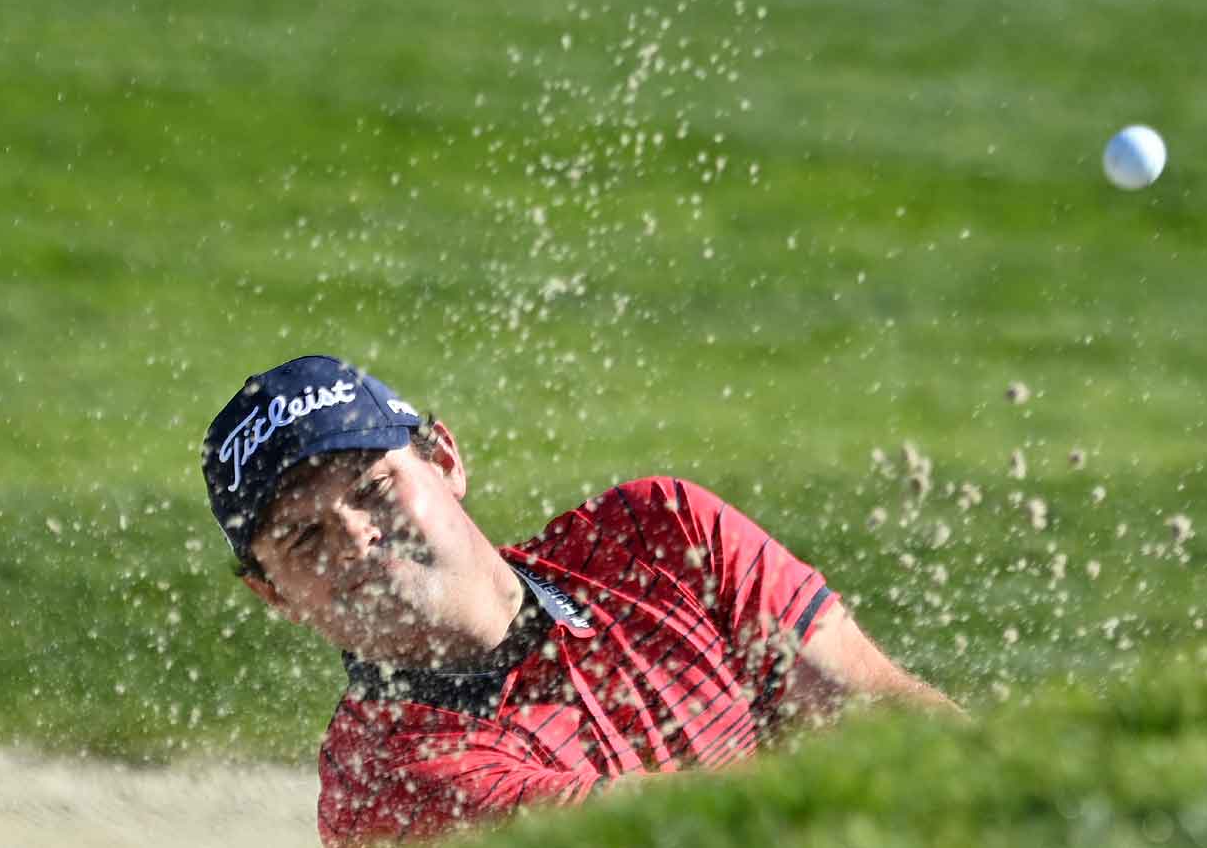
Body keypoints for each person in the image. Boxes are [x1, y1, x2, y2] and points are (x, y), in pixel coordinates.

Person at [203, 355, 956, 846]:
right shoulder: (385, 789)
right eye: (304, 540)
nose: (358, 539)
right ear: (273, 595)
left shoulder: (660, 532)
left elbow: (885, 712)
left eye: (374, 488)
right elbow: (678, 831)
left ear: (447, 461)